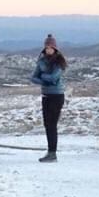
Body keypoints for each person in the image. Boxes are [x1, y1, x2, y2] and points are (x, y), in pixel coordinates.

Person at [30, 34, 68, 162]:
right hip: (46, 95)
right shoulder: (41, 61)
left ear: (55, 49)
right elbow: (33, 77)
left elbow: (54, 77)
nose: (49, 50)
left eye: (51, 47)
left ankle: (53, 153)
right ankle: (50, 152)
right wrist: (43, 80)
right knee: (47, 125)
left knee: (52, 124)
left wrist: (43, 77)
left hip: (57, 95)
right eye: (47, 47)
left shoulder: (59, 62)